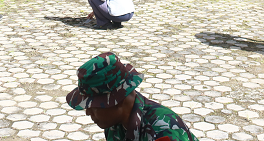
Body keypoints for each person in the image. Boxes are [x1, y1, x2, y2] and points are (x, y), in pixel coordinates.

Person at [66, 52, 198, 141]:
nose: (88, 112)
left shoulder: (162, 131)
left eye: (93, 105)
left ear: (117, 101)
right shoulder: (113, 124)